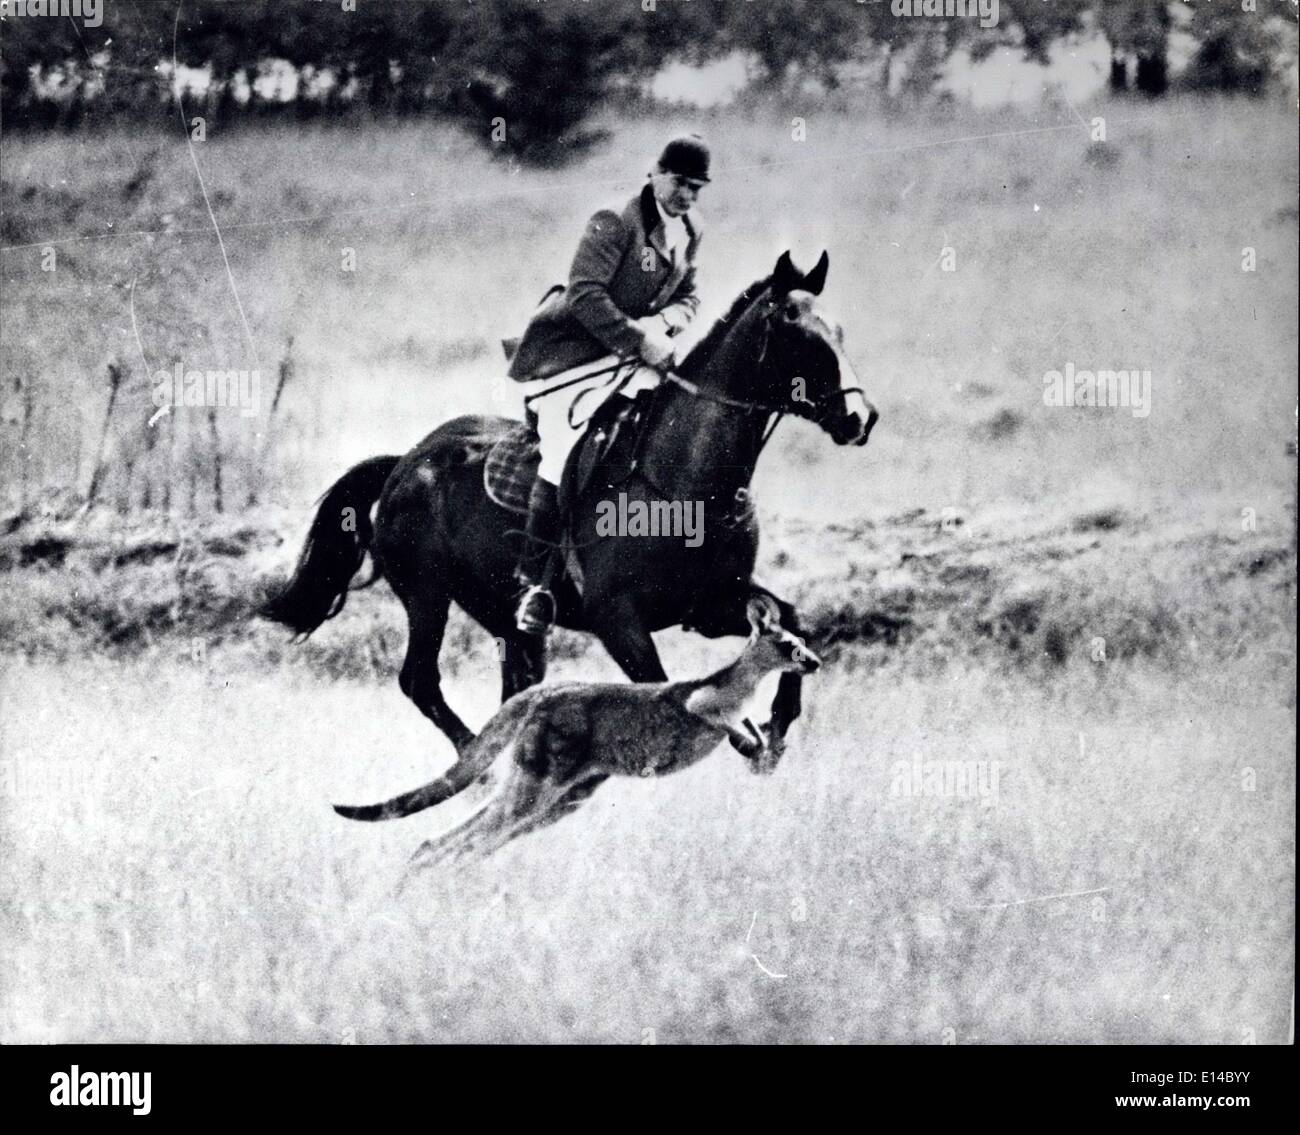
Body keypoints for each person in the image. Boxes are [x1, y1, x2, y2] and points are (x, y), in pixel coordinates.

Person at [506, 134, 710, 636]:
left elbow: (690, 296)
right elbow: (584, 295)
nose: (688, 196)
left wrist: (666, 326)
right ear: (656, 174)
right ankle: (536, 583)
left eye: (698, 189)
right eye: (681, 184)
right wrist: (641, 340)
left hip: (634, 357)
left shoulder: (690, 229)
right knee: (564, 445)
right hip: (571, 357)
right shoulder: (614, 221)